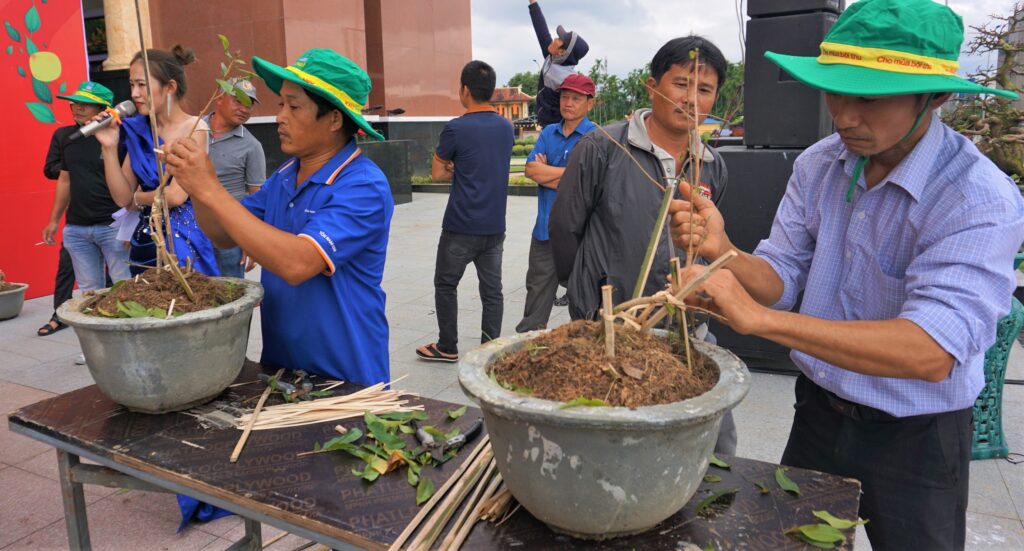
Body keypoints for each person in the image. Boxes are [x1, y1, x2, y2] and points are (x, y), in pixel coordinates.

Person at [668, 1, 1024, 548]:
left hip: (917, 439)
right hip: (819, 413)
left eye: (871, 97)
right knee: (793, 542)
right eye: (835, 89)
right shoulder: (819, 164)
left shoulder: (975, 197)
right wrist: (727, 251)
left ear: (935, 97)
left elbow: (929, 351)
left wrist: (761, 321)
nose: (844, 116)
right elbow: (782, 275)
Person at [548, 36, 735, 454]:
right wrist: (586, 294)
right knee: (608, 441)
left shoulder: (712, 164)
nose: (691, 99)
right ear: (653, 86)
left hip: (685, 331)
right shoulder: (605, 147)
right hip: (611, 325)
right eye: (681, 84)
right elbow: (565, 228)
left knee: (710, 445)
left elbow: (706, 241)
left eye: (704, 90)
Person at [165, 48, 394, 386]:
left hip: (345, 375)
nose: (280, 117)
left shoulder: (363, 185)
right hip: (282, 368)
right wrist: (195, 186)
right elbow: (223, 234)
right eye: (281, 104)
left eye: (294, 106)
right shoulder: (286, 175)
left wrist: (212, 189)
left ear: (334, 119)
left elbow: (297, 265)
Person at [415, 61, 514, 363]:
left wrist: (453, 166)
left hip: (460, 225)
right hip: (495, 227)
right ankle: (490, 349)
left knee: (446, 284)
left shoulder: (455, 128)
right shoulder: (506, 127)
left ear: (465, 90)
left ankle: (447, 347)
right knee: (492, 291)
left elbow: (437, 175)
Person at [94, 45, 219, 276]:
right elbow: (122, 197)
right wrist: (109, 148)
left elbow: (175, 196)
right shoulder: (138, 130)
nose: (134, 94)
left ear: (170, 87)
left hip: (181, 237)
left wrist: (137, 199)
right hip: (145, 237)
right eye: (132, 85)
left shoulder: (194, 128)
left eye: (142, 85)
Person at [515, 73, 596, 333]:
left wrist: (548, 171)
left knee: (584, 301)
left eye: (575, 98)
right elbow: (531, 170)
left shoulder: (597, 138)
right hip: (545, 230)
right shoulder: (549, 131)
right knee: (536, 295)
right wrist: (570, 175)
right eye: (564, 97)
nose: (568, 103)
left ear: (590, 103)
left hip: (581, 234)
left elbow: (590, 183)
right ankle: (529, 351)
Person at [41, 82, 131, 294]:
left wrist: (129, 226)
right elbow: (65, 180)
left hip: (113, 226)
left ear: (103, 110)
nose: (77, 108)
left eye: (86, 104)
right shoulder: (66, 137)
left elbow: (132, 183)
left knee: (124, 288)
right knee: (89, 292)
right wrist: (54, 220)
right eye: (75, 103)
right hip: (77, 228)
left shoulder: (121, 136)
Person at [204, 78, 267, 278]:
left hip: (229, 234)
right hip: (189, 230)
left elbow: (256, 197)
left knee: (231, 296)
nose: (244, 109)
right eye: (238, 101)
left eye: (249, 104)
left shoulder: (252, 146)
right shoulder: (193, 129)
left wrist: (251, 240)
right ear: (219, 97)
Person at [528, 0, 590, 127]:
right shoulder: (553, 56)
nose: (555, 39)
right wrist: (533, 3)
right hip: (547, 124)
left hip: (555, 128)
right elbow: (541, 30)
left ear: (562, 53)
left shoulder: (566, 79)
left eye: (560, 40)